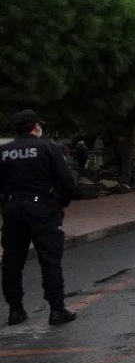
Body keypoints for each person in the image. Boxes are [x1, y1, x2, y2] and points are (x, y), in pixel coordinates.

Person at [1, 110, 78, 326]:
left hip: (12, 208)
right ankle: (56, 310)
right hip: (43, 209)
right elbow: (67, 182)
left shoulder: (4, 151)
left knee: (12, 261)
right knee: (50, 259)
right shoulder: (49, 148)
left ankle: (15, 311)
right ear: (36, 126)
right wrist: (60, 203)